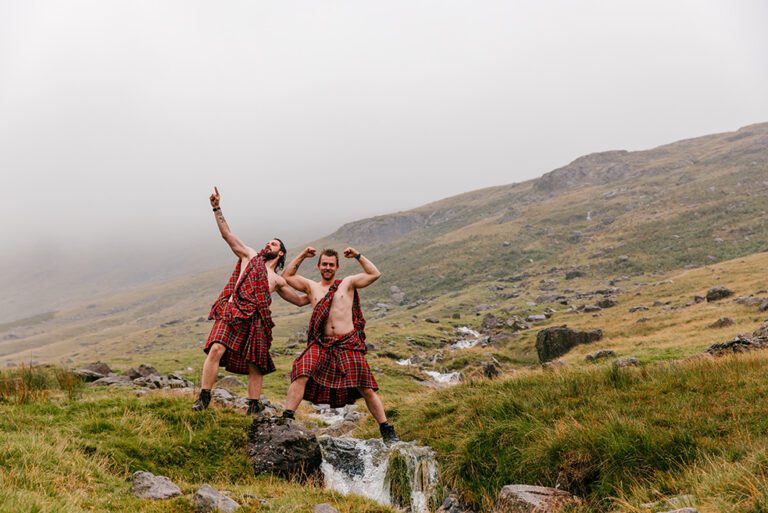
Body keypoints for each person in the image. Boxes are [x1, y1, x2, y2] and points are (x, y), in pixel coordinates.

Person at [193, 187, 309, 414]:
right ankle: (204, 397)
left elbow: (300, 300)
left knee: (255, 363)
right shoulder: (250, 256)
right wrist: (216, 208)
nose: (268, 245)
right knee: (216, 349)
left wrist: (324, 292)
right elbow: (227, 235)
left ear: (281, 253)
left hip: (256, 320)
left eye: (273, 244)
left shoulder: (278, 280)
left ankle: (253, 406)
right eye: (268, 242)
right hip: (233, 311)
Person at [281, 246, 400, 443]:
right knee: (301, 370)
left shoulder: (348, 283)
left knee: (366, 387)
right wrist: (302, 255)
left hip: (347, 343)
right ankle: (286, 419)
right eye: (324, 264)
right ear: (319, 266)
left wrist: (358, 256)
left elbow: (374, 274)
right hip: (322, 343)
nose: (327, 267)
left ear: (337, 267)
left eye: (331, 265)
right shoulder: (311, 287)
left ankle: (386, 429)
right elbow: (287, 276)